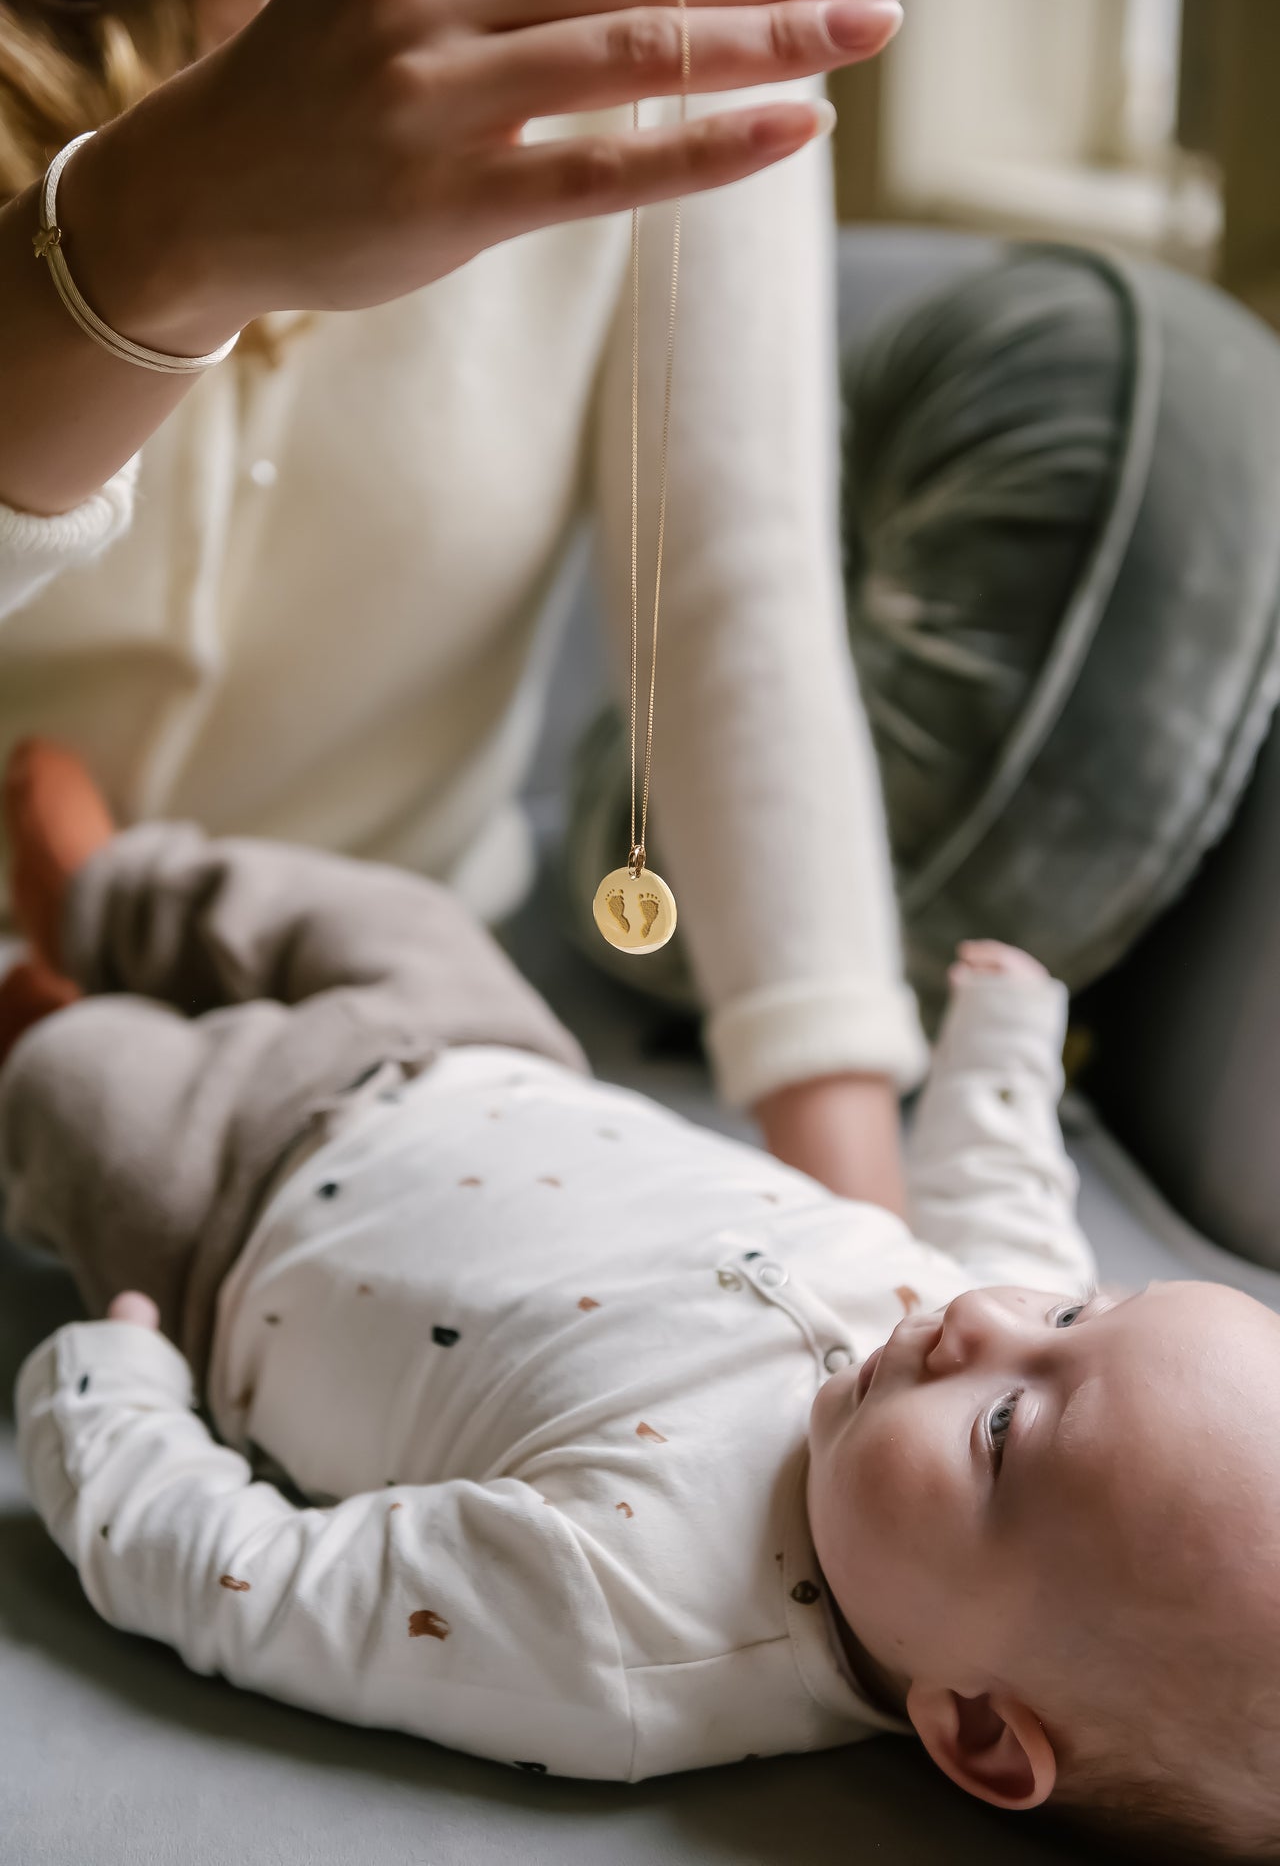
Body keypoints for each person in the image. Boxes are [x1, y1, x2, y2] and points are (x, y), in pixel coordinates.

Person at [9, 742, 1280, 1864]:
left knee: (85, 1093)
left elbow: (271, 1593)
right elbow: (1008, 1202)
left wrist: (112, 1411)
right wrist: (1003, 1045)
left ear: (981, 1728)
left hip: (233, 1210)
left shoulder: (626, 1636)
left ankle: (42, 1012)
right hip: (483, 1050)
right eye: (1077, 1316)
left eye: (1001, 1434)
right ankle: (111, 895)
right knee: (392, 918)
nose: (985, 1326)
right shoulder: (978, 1327)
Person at [0, 0, 923, 1214]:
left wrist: (873, 1241)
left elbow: (736, 609)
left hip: (381, 1039)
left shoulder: (665, 12)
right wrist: (147, 233)